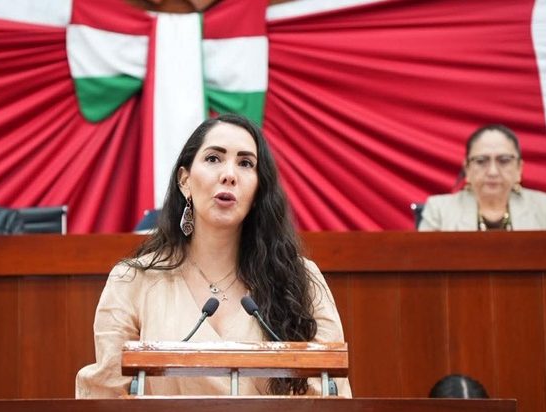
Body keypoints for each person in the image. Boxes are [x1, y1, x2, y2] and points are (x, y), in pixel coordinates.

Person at [75, 114, 352, 398]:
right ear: (184, 180)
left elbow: (330, 392)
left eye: (245, 163)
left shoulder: (299, 278)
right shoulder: (133, 280)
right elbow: (106, 395)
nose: (229, 175)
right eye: (213, 159)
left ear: (258, 189)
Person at [419, 125, 546, 231]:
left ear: (519, 168)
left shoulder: (542, 206)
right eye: (481, 161)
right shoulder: (439, 210)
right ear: (467, 168)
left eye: (504, 160)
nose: (493, 172)